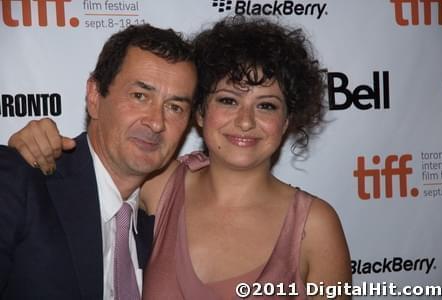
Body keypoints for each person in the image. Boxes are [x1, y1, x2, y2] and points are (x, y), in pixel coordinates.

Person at [9, 17, 351, 299]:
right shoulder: (160, 184)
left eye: (266, 105)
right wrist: (32, 146)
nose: (246, 121)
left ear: (287, 120)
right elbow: (96, 165)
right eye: (229, 100)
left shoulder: (314, 227)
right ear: (200, 114)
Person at [0, 24, 197, 299]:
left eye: (175, 107)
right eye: (140, 96)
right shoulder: (19, 181)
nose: (156, 122)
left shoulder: (162, 231)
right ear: (94, 96)